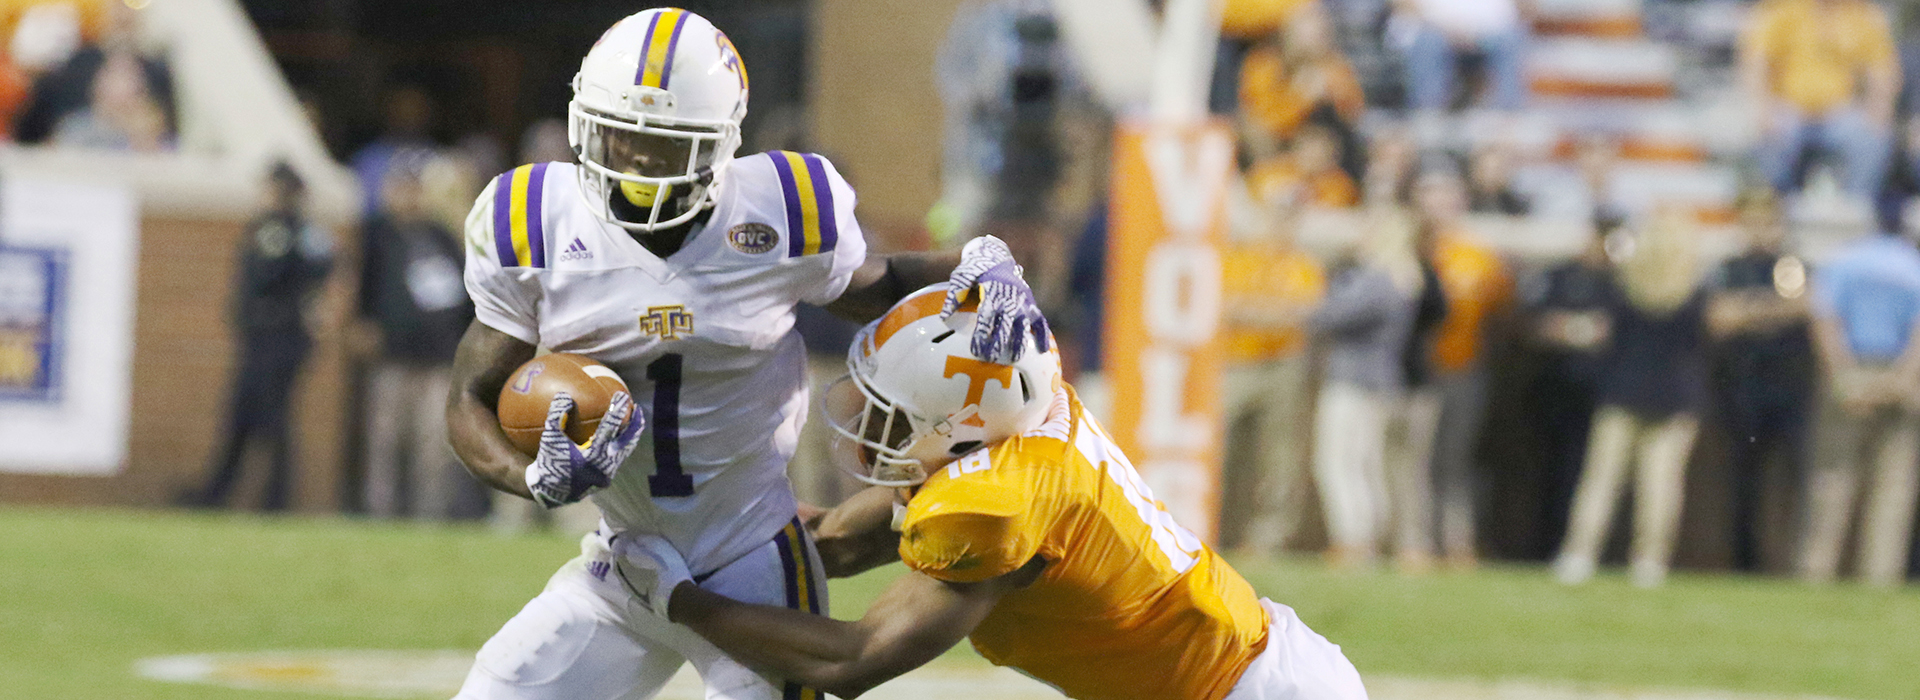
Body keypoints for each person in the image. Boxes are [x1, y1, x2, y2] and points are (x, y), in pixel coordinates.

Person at [444, 10, 1050, 700]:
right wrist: (532, 478)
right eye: (619, 136)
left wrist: (975, 263)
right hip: (624, 557)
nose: (638, 163)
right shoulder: (531, 219)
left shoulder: (782, 209)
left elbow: (872, 286)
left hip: (752, 557)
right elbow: (470, 395)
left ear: (720, 148)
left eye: (666, 146)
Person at [612, 285, 1370, 700]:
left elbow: (853, 662)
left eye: (894, 417)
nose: (875, 430)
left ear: (964, 424)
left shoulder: (998, 510)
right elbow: (838, 543)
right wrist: (691, 519)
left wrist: (680, 601)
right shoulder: (1011, 426)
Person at [1554, 208, 1709, 588]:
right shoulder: (1694, 292)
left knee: (1601, 480)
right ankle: (1649, 562)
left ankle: (1579, 555)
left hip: (1622, 391)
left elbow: (1603, 334)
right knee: (1661, 483)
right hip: (1676, 396)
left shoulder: (1621, 285)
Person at [179, 162, 333, 511]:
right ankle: (218, 492)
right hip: (267, 336)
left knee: (273, 418)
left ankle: (274, 499)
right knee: (243, 414)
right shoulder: (296, 231)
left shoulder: (282, 231)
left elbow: (272, 275)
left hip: (278, 336)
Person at [1797, 197, 1920, 588]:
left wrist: (1841, 379)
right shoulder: (1912, 266)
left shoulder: (1845, 261)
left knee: (1832, 478)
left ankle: (1816, 570)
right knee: (1893, 484)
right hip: (1897, 369)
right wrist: (1902, 380)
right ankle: (1879, 576)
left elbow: (1825, 319)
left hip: (1852, 364)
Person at [356, 151, 475, 520]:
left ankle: (428, 516)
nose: (407, 195)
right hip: (393, 354)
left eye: (413, 187)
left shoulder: (439, 235)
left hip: (438, 357)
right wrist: (364, 324)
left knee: (432, 444)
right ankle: (380, 512)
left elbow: (465, 293)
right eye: (400, 187)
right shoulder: (377, 233)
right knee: (385, 440)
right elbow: (364, 287)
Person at [1704, 189, 1815, 573]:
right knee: (1741, 483)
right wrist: (1772, 309)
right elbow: (1719, 318)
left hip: (1787, 388)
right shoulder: (1729, 267)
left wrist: (1749, 310)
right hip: (1740, 388)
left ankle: (1791, 564)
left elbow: (1806, 306)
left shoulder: (1792, 264)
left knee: (1793, 481)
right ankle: (1743, 563)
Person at [1308, 210, 1426, 569]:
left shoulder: (1377, 279)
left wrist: (1335, 281)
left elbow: (1326, 315)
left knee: (1338, 461)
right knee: (1365, 462)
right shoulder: (1404, 277)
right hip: (1381, 380)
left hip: (1354, 380)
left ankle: (1354, 539)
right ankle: (1367, 538)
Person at [1412, 167, 1510, 567]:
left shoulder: (1477, 255)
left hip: (1464, 369)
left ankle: (1457, 541)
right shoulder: (1411, 251)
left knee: (1455, 460)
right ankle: (1417, 543)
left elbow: (1502, 312)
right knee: (1416, 461)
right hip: (1416, 374)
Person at [1219, 193, 1326, 555]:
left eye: (1290, 216)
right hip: (1237, 363)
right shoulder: (1238, 259)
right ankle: (1219, 528)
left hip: (1284, 366)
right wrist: (1275, 314)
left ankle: (1267, 537)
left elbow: (1306, 315)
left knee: (1278, 456)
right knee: (1225, 449)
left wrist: (1257, 313)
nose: (1282, 224)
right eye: (1277, 214)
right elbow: (1226, 310)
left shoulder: (1303, 264)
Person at [1516, 226, 1618, 559]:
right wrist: (1577, 330)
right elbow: (1532, 323)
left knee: (1589, 475)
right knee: (1548, 472)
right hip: (1554, 389)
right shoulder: (1560, 275)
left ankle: (1582, 550)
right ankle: (1543, 548)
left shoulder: (1619, 283)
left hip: (1601, 394)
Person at [1740, 0, 1897, 197]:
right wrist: (1762, 109)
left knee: (1874, 139)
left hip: (1839, 113)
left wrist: (1880, 108)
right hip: (1790, 109)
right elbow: (1757, 62)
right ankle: (1781, 203)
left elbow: (1882, 70)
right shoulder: (1783, 10)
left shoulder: (1861, 14)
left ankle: (1855, 207)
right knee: (1768, 139)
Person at [1392, 0, 1527, 115]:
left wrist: (1473, 33)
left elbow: (1513, 12)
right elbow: (1406, 5)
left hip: (1486, 34)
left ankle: (1507, 113)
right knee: (1428, 42)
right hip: (1436, 30)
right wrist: (1448, 29)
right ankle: (1429, 109)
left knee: (1511, 39)